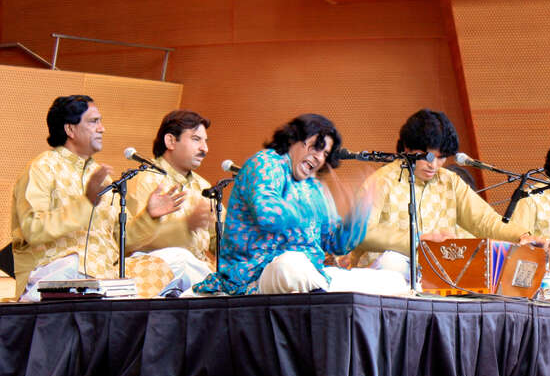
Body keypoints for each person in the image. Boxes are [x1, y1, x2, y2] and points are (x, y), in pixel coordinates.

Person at [193, 114, 406, 296]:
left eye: (325, 153)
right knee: (291, 265)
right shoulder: (267, 163)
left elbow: (336, 244)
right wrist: (311, 209)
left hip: (310, 273)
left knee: (394, 281)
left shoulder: (313, 186)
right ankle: (326, 292)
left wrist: (357, 214)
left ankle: (324, 291)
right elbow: (267, 215)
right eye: (316, 147)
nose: (319, 158)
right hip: (256, 274)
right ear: (293, 140)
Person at [11, 95, 184, 300]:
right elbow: (34, 230)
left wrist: (149, 216)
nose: (102, 128)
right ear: (70, 129)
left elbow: (123, 240)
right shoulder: (42, 168)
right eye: (94, 122)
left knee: (177, 260)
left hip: (102, 271)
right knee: (76, 265)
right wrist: (85, 204)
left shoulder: (100, 174)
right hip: (56, 272)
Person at [355, 109, 550, 268]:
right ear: (407, 148)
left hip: (435, 275)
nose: (434, 165)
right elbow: (361, 233)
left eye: (441, 157)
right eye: (429, 157)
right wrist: (417, 240)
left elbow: (485, 222)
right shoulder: (381, 181)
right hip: (386, 276)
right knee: (393, 263)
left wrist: (522, 237)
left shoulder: (450, 181)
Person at [126, 110, 220, 293]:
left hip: (195, 275)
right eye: (196, 139)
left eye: (205, 141)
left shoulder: (203, 187)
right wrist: (185, 228)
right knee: (181, 258)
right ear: (170, 141)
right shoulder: (143, 181)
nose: (204, 149)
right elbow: (130, 243)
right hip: (154, 275)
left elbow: (221, 241)